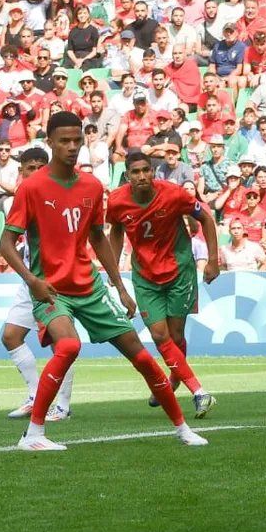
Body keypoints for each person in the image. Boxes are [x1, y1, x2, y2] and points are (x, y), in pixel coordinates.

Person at [0, 112, 207, 451]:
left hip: (89, 286)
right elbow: (5, 244)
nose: (71, 147)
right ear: (50, 142)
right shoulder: (32, 188)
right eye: (63, 141)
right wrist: (31, 280)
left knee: (140, 356)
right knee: (67, 346)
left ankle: (182, 428)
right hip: (51, 288)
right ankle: (34, 434)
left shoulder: (93, 186)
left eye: (76, 140)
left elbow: (98, 238)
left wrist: (120, 288)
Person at [108, 152, 220, 417]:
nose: (142, 175)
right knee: (160, 335)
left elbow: (205, 218)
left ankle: (174, 378)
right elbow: (115, 232)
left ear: (153, 172)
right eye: (136, 172)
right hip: (145, 276)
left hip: (179, 271)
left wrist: (213, 261)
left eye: (146, 170)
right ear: (127, 176)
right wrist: (113, 273)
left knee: (176, 335)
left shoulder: (173, 194)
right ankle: (199, 392)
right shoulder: (117, 201)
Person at [0, 148, 76, 421]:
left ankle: (63, 406)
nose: (34, 172)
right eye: (28, 168)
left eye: (39, 166)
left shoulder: (59, 196)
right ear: (21, 172)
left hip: (57, 280)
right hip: (31, 280)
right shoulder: (17, 200)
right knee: (10, 336)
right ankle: (35, 395)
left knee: (62, 343)